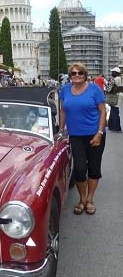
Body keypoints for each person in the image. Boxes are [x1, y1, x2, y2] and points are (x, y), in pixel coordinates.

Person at [58, 62, 106, 215]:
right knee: (79, 168)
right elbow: (63, 111)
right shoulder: (65, 90)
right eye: (73, 73)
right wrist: (60, 130)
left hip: (94, 134)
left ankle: (90, 200)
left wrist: (99, 133)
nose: (77, 76)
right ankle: (82, 199)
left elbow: (103, 112)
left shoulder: (95, 89)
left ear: (85, 75)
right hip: (75, 136)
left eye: (80, 73)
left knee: (94, 168)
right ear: (70, 76)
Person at [107, 67, 122, 132]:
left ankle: (117, 127)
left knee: (114, 112)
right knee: (114, 111)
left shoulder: (115, 79)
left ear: (116, 73)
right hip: (120, 96)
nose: (112, 73)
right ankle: (111, 125)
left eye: (113, 72)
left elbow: (108, 89)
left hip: (114, 97)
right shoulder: (121, 78)